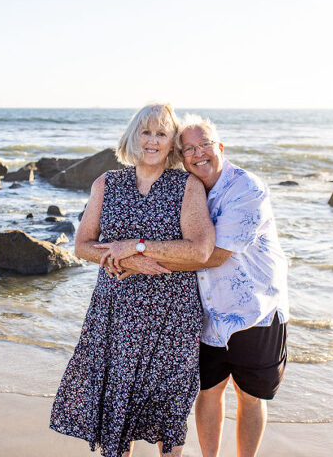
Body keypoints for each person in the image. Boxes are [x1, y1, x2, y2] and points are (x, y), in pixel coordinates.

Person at [49, 103, 215, 457]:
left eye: (161, 134)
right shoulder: (106, 183)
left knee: (168, 408)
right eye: (146, 132)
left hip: (171, 315)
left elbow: (201, 250)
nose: (152, 141)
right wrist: (132, 262)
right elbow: (82, 246)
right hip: (116, 313)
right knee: (118, 406)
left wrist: (138, 247)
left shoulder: (187, 185)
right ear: (133, 137)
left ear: (172, 143)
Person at [174, 114, 290, 457]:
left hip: (255, 310)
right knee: (209, 389)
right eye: (189, 149)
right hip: (209, 315)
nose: (198, 153)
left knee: (249, 396)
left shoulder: (246, 188)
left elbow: (215, 255)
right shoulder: (187, 190)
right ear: (182, 158)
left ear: (220, 147)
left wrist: (142, 259)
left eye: (205, 144)